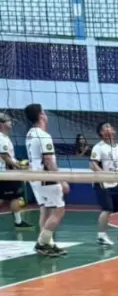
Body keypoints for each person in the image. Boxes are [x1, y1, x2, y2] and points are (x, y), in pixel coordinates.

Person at [24, 103, 69, 256]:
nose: (46, 115)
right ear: (40, 115)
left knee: (45, 210)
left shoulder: (30, 134)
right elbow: (48, 160)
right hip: (46, 178)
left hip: (35, 177)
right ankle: (42, 243)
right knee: (59, 210)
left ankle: (48, 243)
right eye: (44, 112)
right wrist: (61, 180)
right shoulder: (44, 135)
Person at [0, 112, 31, 229]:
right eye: (8, 121)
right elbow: (4, 157)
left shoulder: (5, 137)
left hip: (7, 172)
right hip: (5, 173)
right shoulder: (1, 138)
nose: (11, 122)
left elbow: (9, 156)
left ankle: (18, 222)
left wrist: (18, 163)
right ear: (1, 124)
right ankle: (18, 222)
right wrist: (18, 166)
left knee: (12, 197)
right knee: (12, 197)